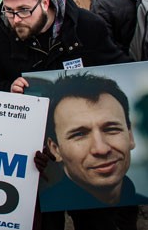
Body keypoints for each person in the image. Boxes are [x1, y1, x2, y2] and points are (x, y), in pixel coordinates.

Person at [0, 0, 131, 93]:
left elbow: (119, 70)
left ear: (45, 2)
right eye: (9, 11)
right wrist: (10, 88)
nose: (16, 19)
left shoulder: (87, 26)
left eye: (24, 10)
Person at [36, 74, 145, 213]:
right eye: (79, 134)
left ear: (130, 136)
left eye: (111, 129)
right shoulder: (38, 216)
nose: (101, 149)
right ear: (55, 149)